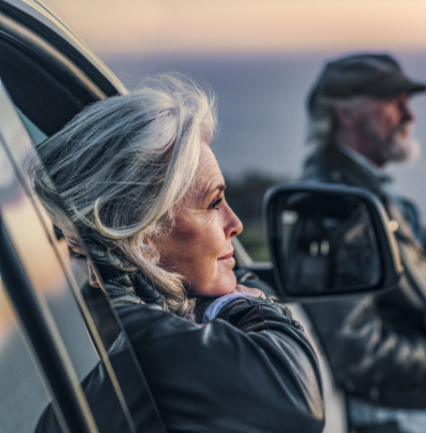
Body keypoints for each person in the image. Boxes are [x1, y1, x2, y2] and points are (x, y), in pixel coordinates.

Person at [31, 76, 324, 433]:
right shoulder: (137, 339)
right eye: (213, 203)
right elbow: (293, 398)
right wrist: (238, 304)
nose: (235, 224)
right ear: (144, 237)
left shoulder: (89, 313)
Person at [301, 53, 426, 433]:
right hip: (401, 418)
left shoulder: (361, 192)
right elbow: (351, 345)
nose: (410, 116)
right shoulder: (333, 204)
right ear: (347, 113)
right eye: (395, 103)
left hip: (418, 410)